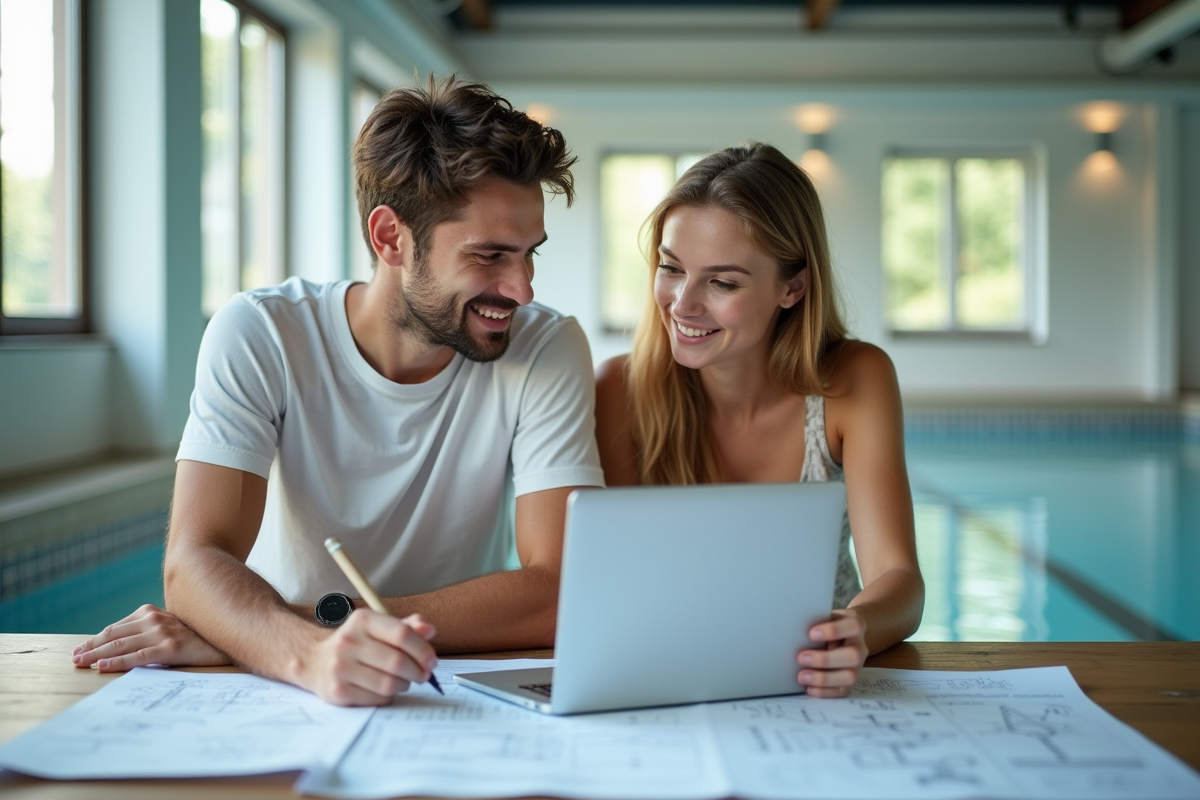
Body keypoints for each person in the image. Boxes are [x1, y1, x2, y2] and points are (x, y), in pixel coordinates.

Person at [71, 76, 605, 706]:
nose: (523, 289)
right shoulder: (262, 333)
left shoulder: (546, 347)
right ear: (390, 238)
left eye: (529, 253)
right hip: (284, 686)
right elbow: (192, 563)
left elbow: (560, 591)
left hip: (434, 682)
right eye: (490, 256)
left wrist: (294, 626)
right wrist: (309, 658)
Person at [594, 143, 924, 699]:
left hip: (813, 682)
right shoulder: (618, 391)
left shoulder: (853, 380)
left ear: (792, 287)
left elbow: (899, 579)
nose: (682, 304)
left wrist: (855, 631)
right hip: (670, 677)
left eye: (722, 282)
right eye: (671, 268)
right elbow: (614, 591)